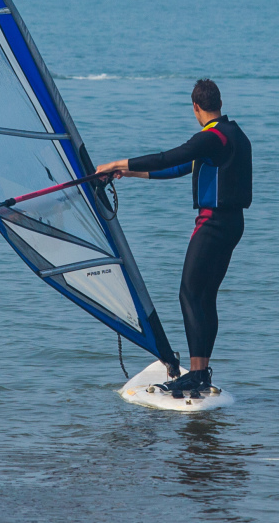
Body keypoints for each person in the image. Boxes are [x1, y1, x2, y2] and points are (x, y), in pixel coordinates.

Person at [97, 78, 252, 398]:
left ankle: (196, 374)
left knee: (189, 294)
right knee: (204, 296)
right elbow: (180, 167)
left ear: (196, 107)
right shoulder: (234, 134)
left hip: (213, 223)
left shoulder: (212, 137)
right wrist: (128, 173)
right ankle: (200, 370)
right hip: (233, 223)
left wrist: (116, 163)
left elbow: (170, 157)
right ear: (218, 102)